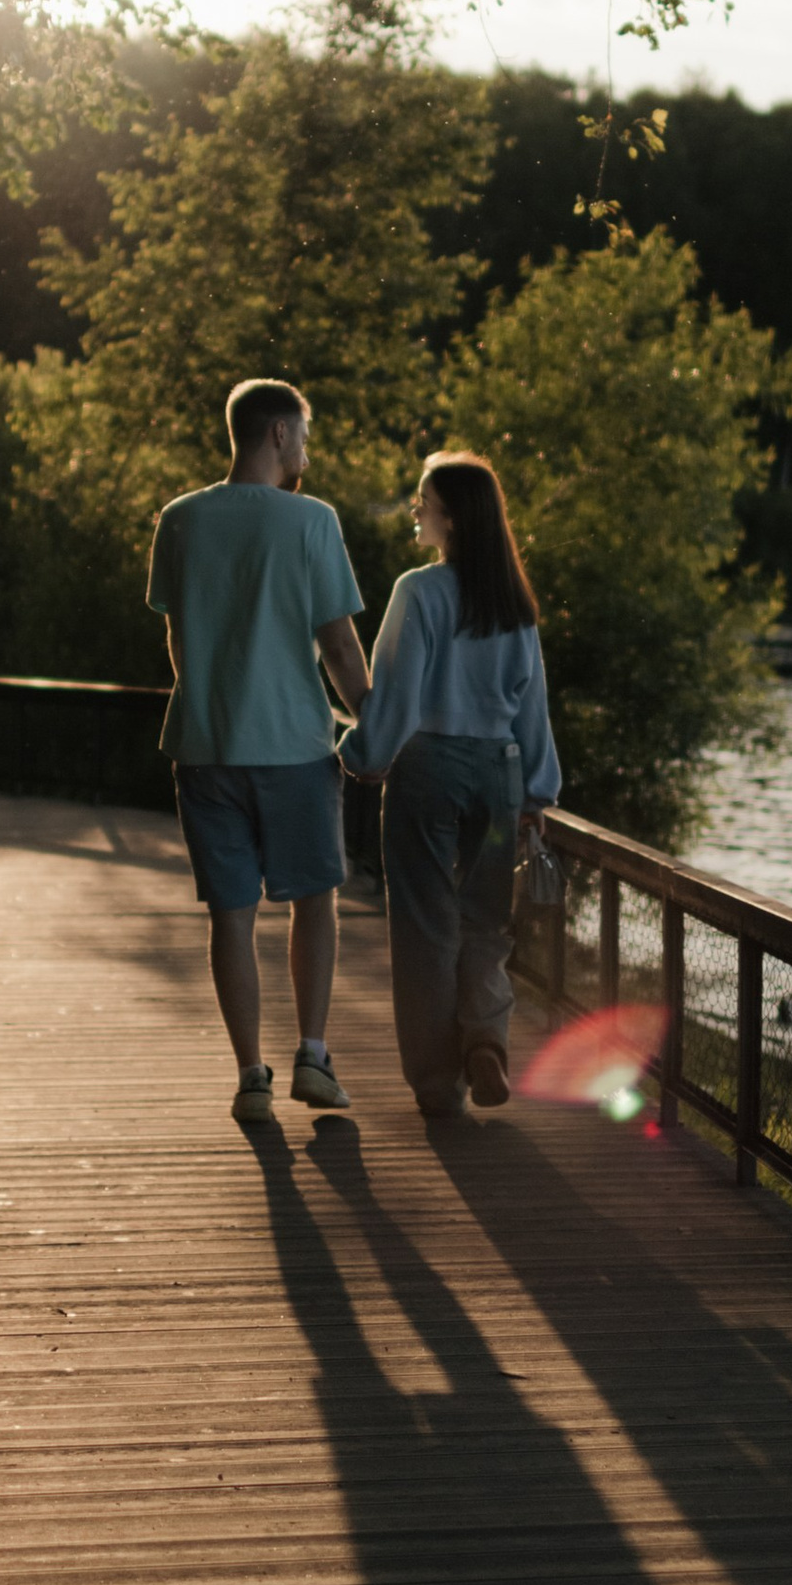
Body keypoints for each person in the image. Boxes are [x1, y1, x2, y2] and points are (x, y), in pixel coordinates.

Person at [146, 378, 373, 1128]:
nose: (307, 447)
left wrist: (218, 699)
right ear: (277, 433)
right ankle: (312, 1053)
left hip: (206, 746)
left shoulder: (181, 520)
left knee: (231, 915)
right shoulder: (313, 523)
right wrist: (371, 717)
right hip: (295, 747)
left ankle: (250, 1075)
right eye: (303, 432)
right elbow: (339, 644)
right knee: (314, 901)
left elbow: (179, 640)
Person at [341, 450, 560, 1120]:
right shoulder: (513, 601)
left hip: (428, 770)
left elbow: (399, 691)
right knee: (487, 923)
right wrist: (537, 793)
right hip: (498, 772)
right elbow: (533, 708)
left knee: (426, 928)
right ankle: (487, 1041)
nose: (415, 509)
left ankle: (439, 1083)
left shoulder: (421, 590)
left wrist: (363, 751)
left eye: (423, 500)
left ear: (452, 517)